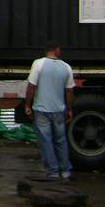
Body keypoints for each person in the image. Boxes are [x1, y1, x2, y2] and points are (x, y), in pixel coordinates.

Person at [24, 41, 75, 180]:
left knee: (46, 141)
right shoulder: (67, 67)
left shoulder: (38, 64)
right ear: (56, 50)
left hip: (41, 110)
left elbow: (31, 86)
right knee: (61, 140)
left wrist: (27, 105)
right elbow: (69, 91)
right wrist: (69, 109)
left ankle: (52, 172)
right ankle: (65, 171)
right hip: (59, 110)